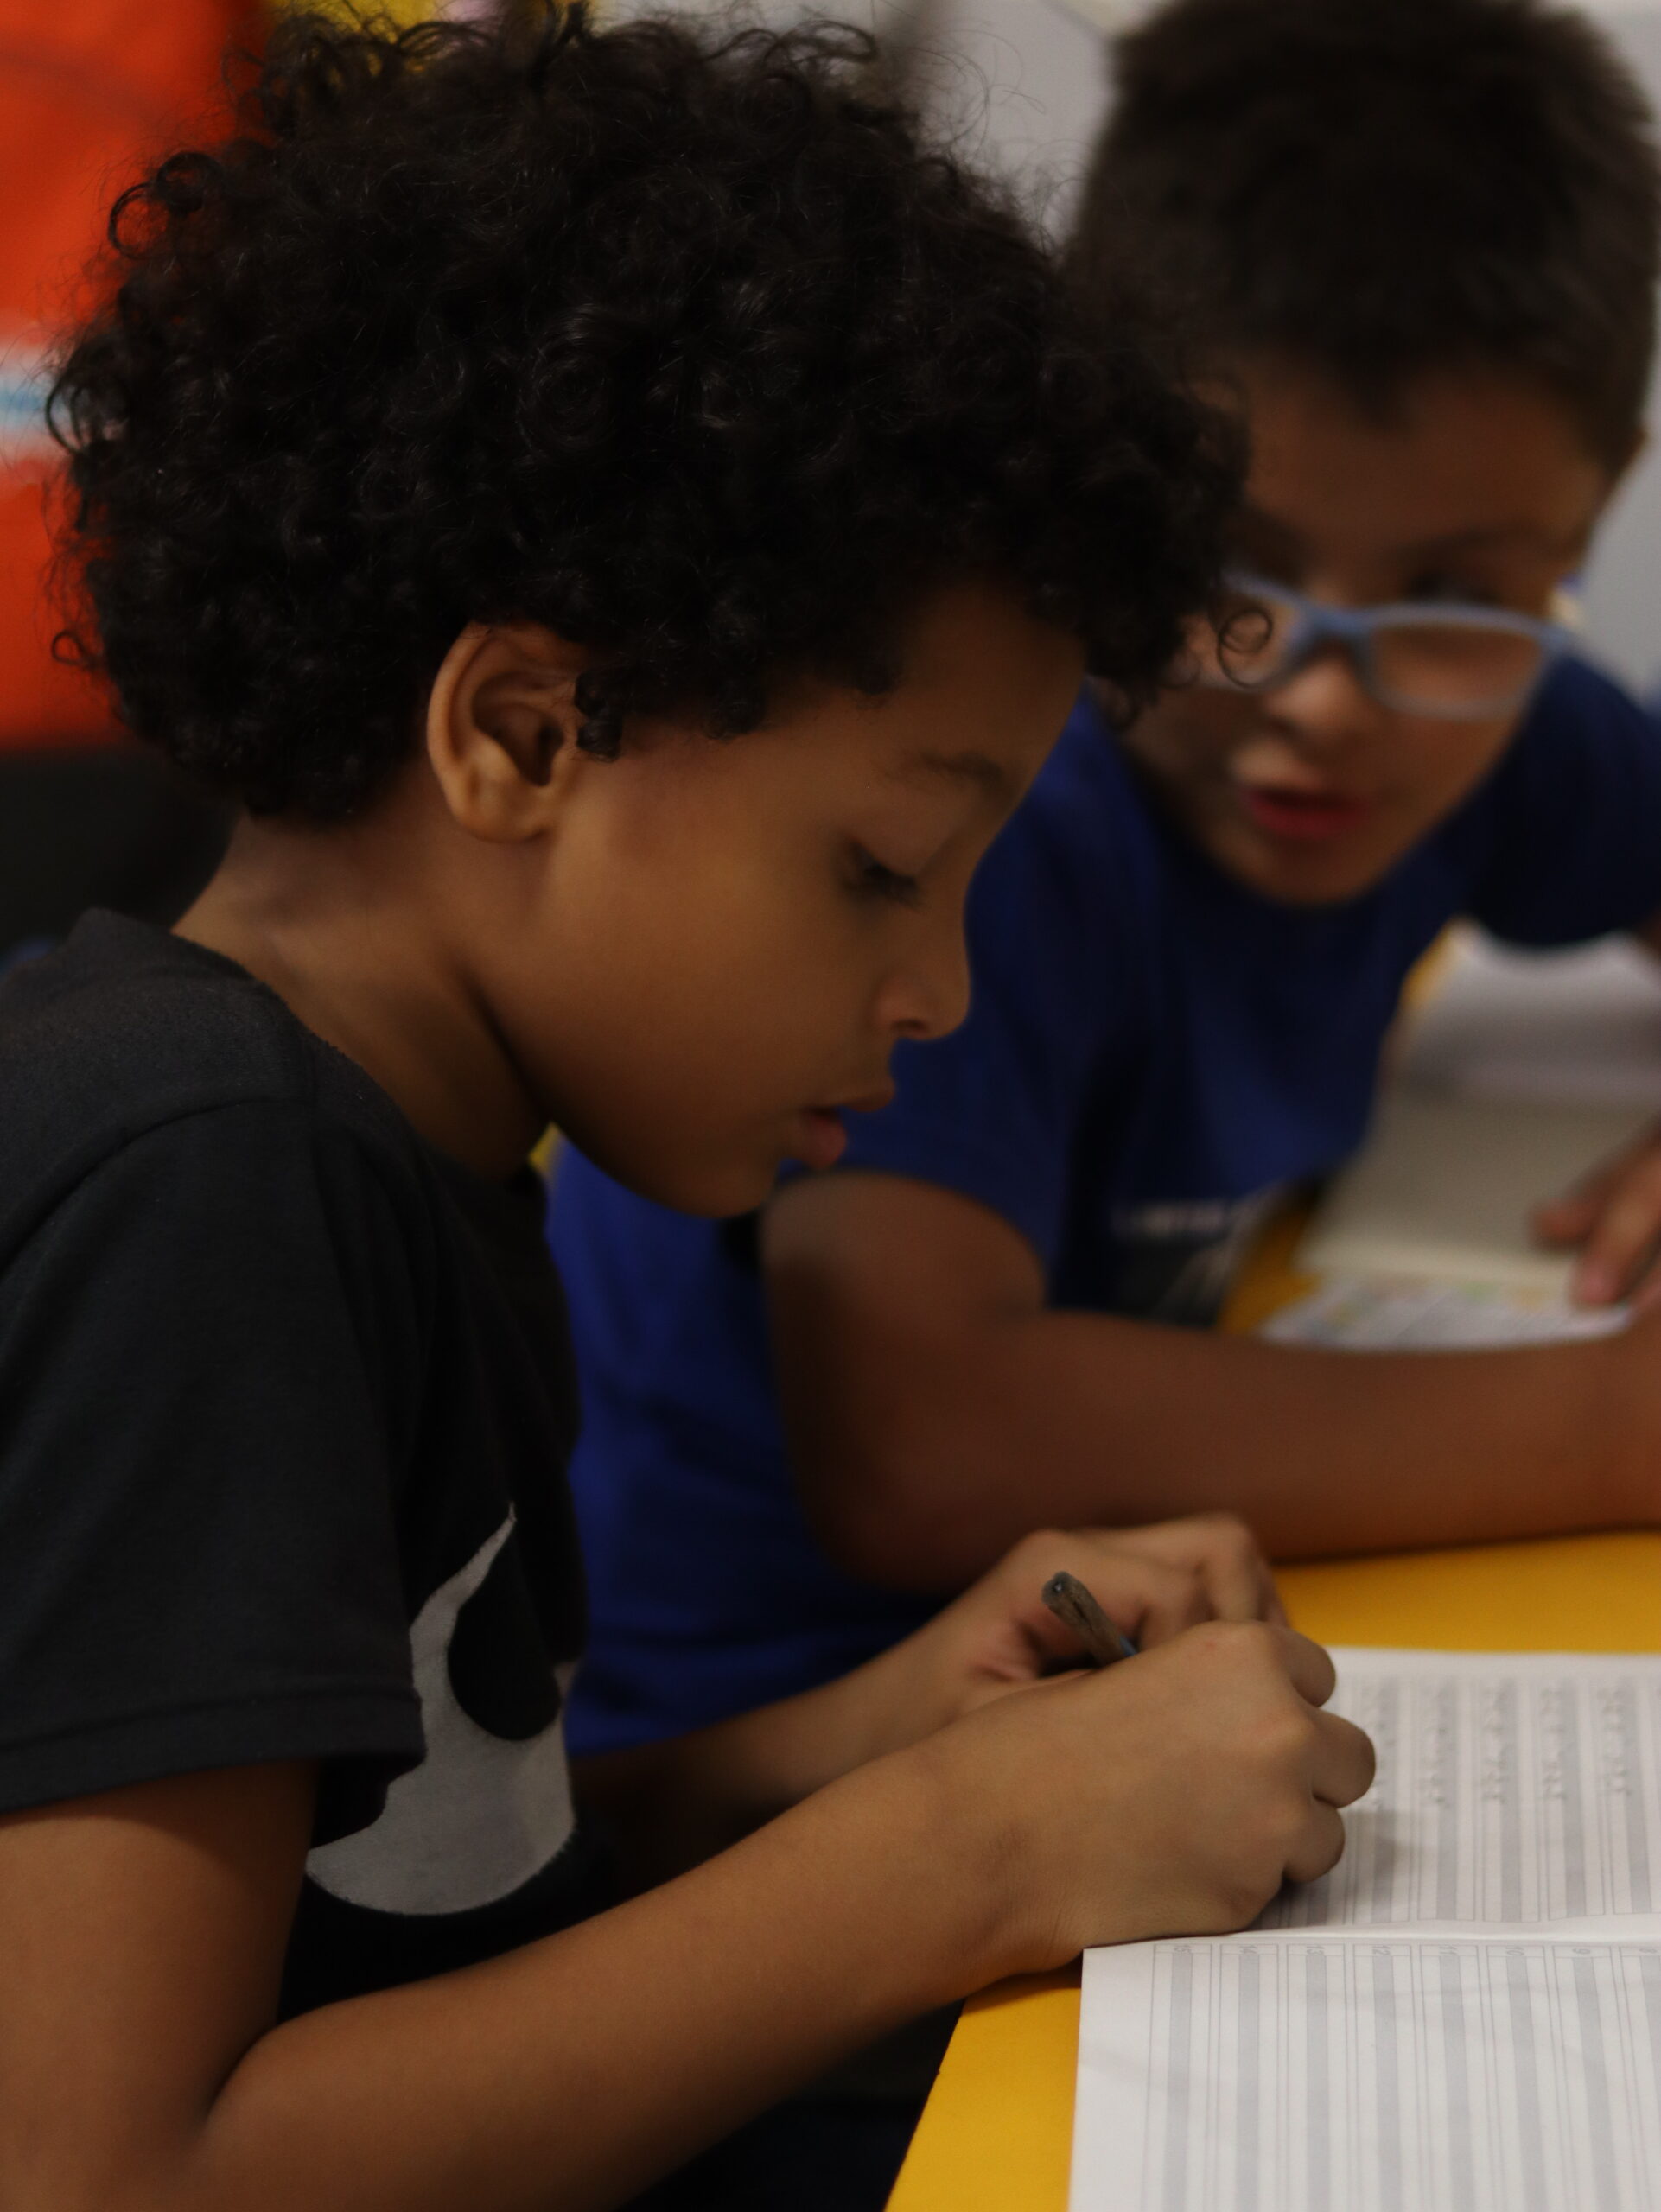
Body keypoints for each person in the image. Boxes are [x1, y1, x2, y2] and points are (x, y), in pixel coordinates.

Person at [0, 14, 1376, 2212]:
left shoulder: (412, 1155)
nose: (934, 990)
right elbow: (102, 2166)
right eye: (877, 868)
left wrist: (881, 1743)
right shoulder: (208, 1190)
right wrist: (963, 1855)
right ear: (526, 734)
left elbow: (430, 1889)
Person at [548, 0, 1661, 1766]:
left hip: (1098, 1672)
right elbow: (922, 1440)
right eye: (1229, 568)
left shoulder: (1487, 708)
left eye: (1456, 591)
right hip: (747, 1757)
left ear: (1584, 525)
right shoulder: (988, 813)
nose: (1320, 696)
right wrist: (1615, 1422)